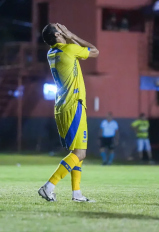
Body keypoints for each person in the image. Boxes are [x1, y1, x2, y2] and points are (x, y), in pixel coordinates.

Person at [38, 23, 99, 202]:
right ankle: (49, 186)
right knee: (80, 153)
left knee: (76, 152)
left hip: (61, 107)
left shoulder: (51, 53)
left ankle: (77, 193)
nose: (64, 30)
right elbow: (95, 51)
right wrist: (72, 34)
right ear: (58, 35)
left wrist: (65, 36)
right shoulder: (70, 50)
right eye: (60, 29)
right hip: (74, 106)